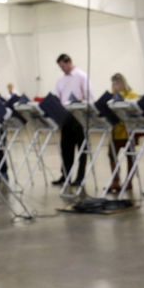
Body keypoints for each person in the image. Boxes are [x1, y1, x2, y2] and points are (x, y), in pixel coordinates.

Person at [53, 53, 94, 187]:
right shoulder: (60, 80)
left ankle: (80, 177)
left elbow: (89, 96)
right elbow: (57, 97)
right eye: (60, 67)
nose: (62, 69)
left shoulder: (81, 76)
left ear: (69, 62)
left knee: (82, 149)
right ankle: (65, 176)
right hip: (65, 116)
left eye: (63, 66)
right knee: (66, 148)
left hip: (79, 116)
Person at [106, 73, 139, 193]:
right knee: (111, 155)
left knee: (130, 156)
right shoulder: (111, 95)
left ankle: (129, 181)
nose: (115, 85)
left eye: (117, 83)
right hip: (115, 131)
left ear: (122, 83)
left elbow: (135, 111)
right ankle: (115, 181)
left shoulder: (132, 95)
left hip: (128, 131)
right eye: (113, 83)